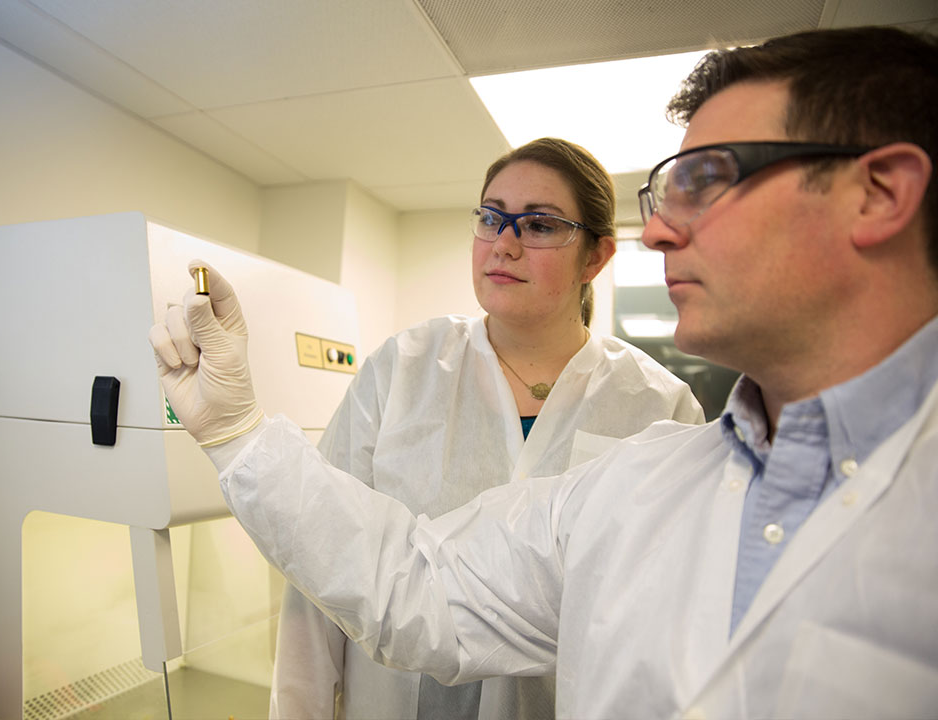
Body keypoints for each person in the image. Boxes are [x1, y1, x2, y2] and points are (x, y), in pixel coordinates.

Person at [150, 26, 938, 719]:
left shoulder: (657, 410)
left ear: (879, 193)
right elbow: (413, 585)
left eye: (707, 179)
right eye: (490, 219)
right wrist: (237, 433)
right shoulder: (645, 485)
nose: (659, 231)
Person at [270, 138, 704, 720]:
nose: (503, 244)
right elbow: (319, 561)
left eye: (540, 225)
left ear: (596, 257)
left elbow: (665, 621)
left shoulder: (656, 408)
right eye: (491, 217)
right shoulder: (402, 369)